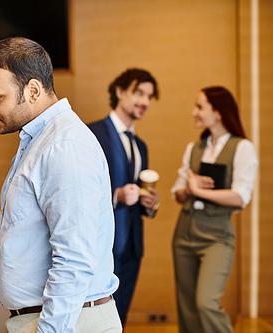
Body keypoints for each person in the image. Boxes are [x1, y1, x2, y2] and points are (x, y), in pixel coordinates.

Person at [0, 37, 122, 333]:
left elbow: (74, 258)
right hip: (47, 319)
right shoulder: (40, 140)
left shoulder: (64, 146)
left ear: (33, 90)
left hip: (66, 322)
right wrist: (0, 241)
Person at [171, 86, 258, 333]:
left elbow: (240, 197)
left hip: (217, 238)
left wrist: (199, 191)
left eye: (200, 107)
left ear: (218, 112)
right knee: (187, 307)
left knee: (206, 302)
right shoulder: (194, 148)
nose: (193, 112)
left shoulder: (242, 148)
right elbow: (178, 192)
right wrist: (188, 189)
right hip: (184, 234)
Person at [87, 68, 160, 326]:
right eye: (139, 93)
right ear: (119, 92)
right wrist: (116, 195)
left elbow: (140, 193)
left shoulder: (141, 146)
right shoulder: (91, 134)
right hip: (100, 246)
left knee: (121, 318)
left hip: (131, 246)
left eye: (149, 97)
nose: (145, 102)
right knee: (95, 319)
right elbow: (78, 189)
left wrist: (151, 204)